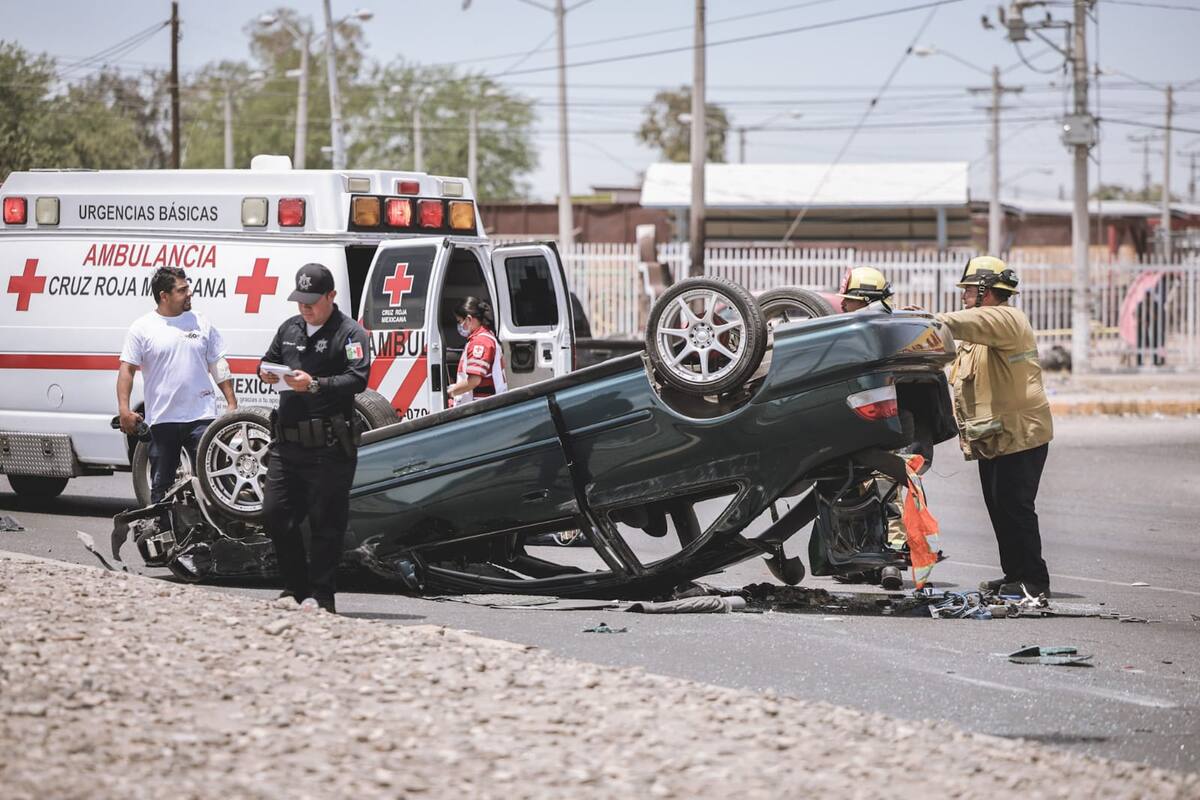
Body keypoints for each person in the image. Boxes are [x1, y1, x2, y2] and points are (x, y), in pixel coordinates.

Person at [935, 256, 1054, 598]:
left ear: (987, 291)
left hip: (1020, 434)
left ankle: (1034, 580)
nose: (964, 295)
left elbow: (961, 322)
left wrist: (925, 319)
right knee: (998, 506)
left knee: (1015, 507)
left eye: (969, 289)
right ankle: (1014, 573)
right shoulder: (979, 333)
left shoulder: (1006, 318)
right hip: (996, 436)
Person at [259, 263, 370, 614]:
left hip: (329, 445)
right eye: (300, 301)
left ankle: (321, 597)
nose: (305, 308)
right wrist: (264, 371)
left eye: (312, 301)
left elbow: (358, 379)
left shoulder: (350, 333)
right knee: (275, 515)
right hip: (287, 443)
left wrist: (316, 384)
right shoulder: (289, 328)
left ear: (331, 296)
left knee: (326, 523)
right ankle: (294, 588)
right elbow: (269, 360)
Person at [117, 266, 236, 505]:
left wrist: (231, 402)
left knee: (212, 483)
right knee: (162, 487)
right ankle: (163, 532)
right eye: (182, 290)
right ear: (164, 296)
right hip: (162, 420)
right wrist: (124, 410)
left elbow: (217, 363)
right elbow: (126, 370)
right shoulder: (142, 328)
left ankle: (214, 537)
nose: (189, 293)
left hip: (201, 418)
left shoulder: (201, 321)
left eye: (188, 287)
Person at [447, 297, 507, 406]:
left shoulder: (480, 342)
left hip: (482, 408)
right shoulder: (486, 336)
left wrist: (451, 392)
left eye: (459, 321)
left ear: (469, 319)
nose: (459, 326)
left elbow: (474, 380)